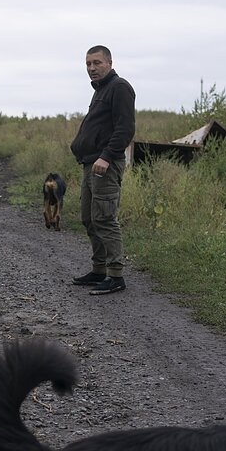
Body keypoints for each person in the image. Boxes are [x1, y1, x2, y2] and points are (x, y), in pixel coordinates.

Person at [69, 45, 135, 295]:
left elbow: (125, 129)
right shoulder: (101, 91)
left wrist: (106, 157)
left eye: (97, 63)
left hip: (105, 164)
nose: (92, 68)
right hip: (91, 163)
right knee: (89, 218)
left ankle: (115, 275)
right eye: (88, 64)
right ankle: (99, 270)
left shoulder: (119, 88)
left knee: (105, 218)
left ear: (109, 62)